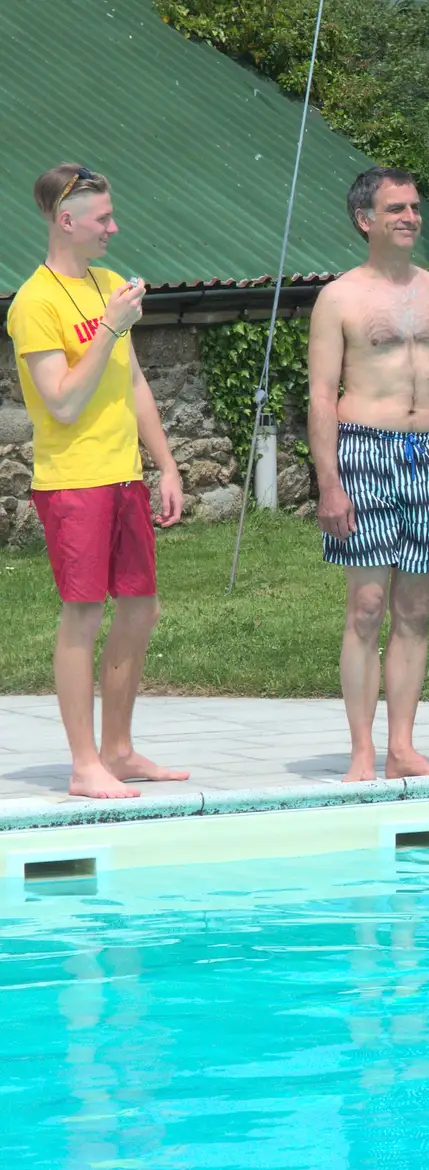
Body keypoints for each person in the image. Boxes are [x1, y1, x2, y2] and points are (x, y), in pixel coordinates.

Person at [6, 164, 186, 799]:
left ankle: (118, 748)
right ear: (66, 221)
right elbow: (59, 402)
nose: (114, 226)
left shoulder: (110, 283)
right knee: (82, 615)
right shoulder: (35, 302)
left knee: (141, 608)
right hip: (73, 482)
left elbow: (133, 381)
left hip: (123, 476)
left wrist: (164, 463)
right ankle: (84, 764)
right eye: (103, 217)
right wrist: (108, 327)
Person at [308, 167, 429, 781]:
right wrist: (328, 482)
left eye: (414, 206)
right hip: (364, 451)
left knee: (416, 608)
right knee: (367, 605)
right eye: (396, 208)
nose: (410, 217)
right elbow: (322, 396)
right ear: (365, 220)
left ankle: (402, 746)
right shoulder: (341, 298)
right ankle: (361, 751)